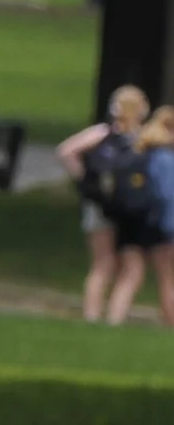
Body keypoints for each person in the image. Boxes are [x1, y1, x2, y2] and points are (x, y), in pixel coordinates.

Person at [59, 84, 154, 322]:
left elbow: (66, 151)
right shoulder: (143, 138)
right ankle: (115, 317)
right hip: (130, 210)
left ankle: (91, 315)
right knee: (132, 267)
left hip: (99, 206)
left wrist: (85, 183)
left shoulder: (103, 133)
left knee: (102, 264)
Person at [104, 103, 174, 328]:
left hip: (132, 220)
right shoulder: (165, 158)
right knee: (166, 277)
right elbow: (167, 195)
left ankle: (114, 319)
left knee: (130, 274)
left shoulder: (140, 153)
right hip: (160, 226)